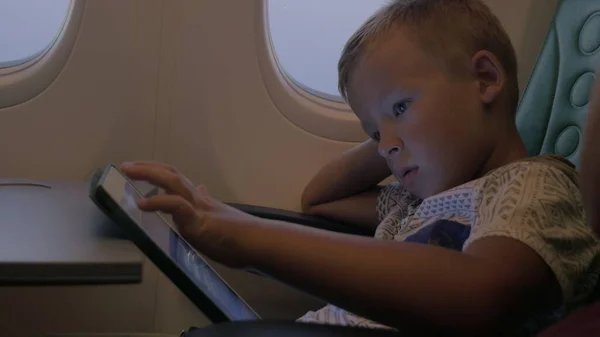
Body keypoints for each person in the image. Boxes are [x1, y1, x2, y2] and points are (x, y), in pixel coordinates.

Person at [120, 0, 600, 336]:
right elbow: (320, 199)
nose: (387, 147)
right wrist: (393, 129)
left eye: (401, 106)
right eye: (373, 134)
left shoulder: (533, 187)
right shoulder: (419, 202)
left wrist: (246, 240)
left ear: (486, 78)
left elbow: (482, 295)